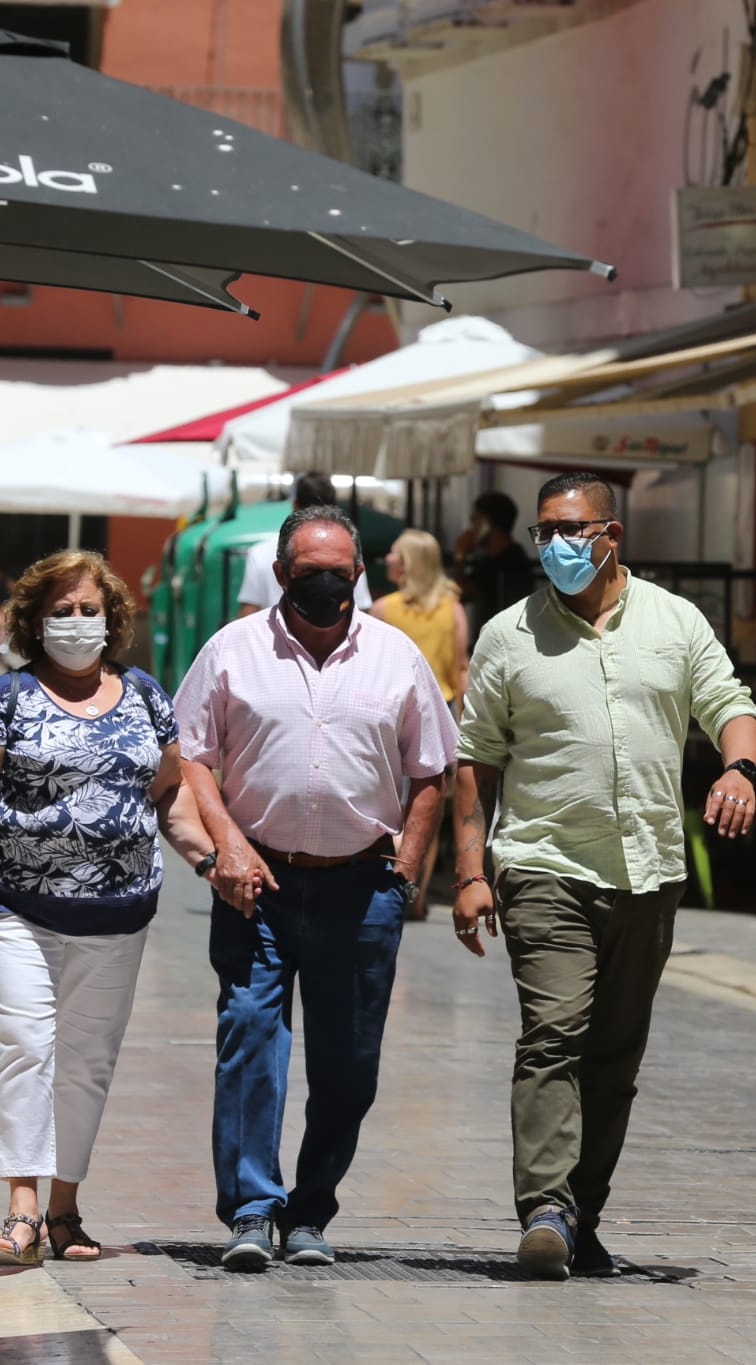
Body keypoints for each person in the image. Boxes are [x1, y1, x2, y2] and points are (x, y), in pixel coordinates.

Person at [451, 471, 756, 1281]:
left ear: (611, 534)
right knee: (555, 1034)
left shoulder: (674, 620)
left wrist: (740, 769)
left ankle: (582, 1211)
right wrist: (469, 872)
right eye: (544, 531)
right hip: (545, 864)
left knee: (615, 1056)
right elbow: (474, 760)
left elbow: (728, 700)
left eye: (571, 529)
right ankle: (546, 1207)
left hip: (648, 870)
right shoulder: (508, 635)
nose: (555, 544)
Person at [175, 505, 456, 1271]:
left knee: (347, 1064)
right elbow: (192, 756)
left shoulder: (397, 656)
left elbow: (434, 769)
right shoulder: (232, 650)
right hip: (254, 883)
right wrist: (226, 842)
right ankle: (252, 1210)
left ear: (359, 573)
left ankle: (310, 1211)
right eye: (308, 574)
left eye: (339, 571)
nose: (326, 584)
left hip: (362, 886)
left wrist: (407, 871)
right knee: (250, 1044)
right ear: (280, 573)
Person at [0, 550, 215, 1266]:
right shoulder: (4, 701)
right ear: (34, 620)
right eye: (62, 610)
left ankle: (64, 1209)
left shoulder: (146, 697)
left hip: (119, 916)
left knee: (87, 1063)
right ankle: (20, 1209)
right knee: (24, 1046)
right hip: (17, 908)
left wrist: (208, 857)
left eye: (89, 610)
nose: (76, 622)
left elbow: (170, 789)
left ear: (112, 619)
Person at [371, 528, 468, 920]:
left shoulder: (383, 609)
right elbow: (461, 668)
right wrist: (463, 726)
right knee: (427, 804)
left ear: (408, 563)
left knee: (388, 802)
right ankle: (418, 892)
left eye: (394, 554)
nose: (388, 560)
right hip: (439, 709)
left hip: (389, 712)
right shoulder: (453, 609)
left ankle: (389, 881)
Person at [235, 472, 373, 617]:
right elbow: (361, 607)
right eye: (307, 570)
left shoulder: (260, 553)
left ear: (295, 503)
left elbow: (249, 610)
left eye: (337, 572)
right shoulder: (346, 554)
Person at [452, 490, 534, 640]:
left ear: (486, 523)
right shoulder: (493, 560)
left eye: (474, 520)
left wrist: (461, 554)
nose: (472, 528)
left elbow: (460, 592)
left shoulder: (510, 560)